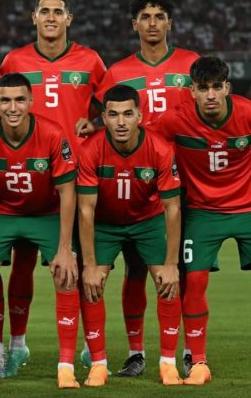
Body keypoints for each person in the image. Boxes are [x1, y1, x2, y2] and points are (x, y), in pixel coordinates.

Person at [77, 0, 199, 377]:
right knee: (134, 270)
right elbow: (101, 115)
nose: (152, 23)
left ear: (169, 23)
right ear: (135, 25)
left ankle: (189, 351)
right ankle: (136, 353)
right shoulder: (117, 72)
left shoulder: (191, 64)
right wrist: (90, 125)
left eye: (159, 16)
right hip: (132, 180)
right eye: (145, 17)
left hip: (186, 180)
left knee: (184, 271)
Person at [0, 0, 106, 377]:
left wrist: (94, 123)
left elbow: (111, 108)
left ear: (68, 19)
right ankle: (17, 345)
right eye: (44, 11)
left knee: (80, 265)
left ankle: (89, 348)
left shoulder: (90, 61)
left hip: (74, 179)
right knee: (22, 265)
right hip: (27, 178)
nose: (50, 17)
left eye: (58, 12)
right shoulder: (14, 61)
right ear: (33, 17)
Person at [0, 73, 79, 389]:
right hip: (1, 212)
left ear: (31, 101)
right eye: (6, 100)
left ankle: (66, 367)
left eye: (20, 100)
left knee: (66, 274)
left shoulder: (52, 134)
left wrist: (65, 248)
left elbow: (67, 191)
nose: (13, 107)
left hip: (45, 214)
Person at [148, 56, 251, 385]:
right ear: (192, 90)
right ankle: (198, 362)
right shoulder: (175, 119)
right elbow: (143, 142)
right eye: (203, 88)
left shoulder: (247, 113)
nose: (210, 95)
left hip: (248, 208)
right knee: (193, 281)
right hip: (202, 212)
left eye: (217, 87)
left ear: (227, 88)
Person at [77, 84, 183, 387]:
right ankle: (98, 365)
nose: (121, 122)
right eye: (113, 115)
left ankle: (168, 364)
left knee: (167, 283)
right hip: (105, 224)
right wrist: (90, 265)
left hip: (148, 221)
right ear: (104, 118)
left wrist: (172, 264)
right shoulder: (90, 149)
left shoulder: (160, 149)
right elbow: (86, 209)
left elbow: (173, 208)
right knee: (92, 285)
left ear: (140, 116)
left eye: (127, 114)